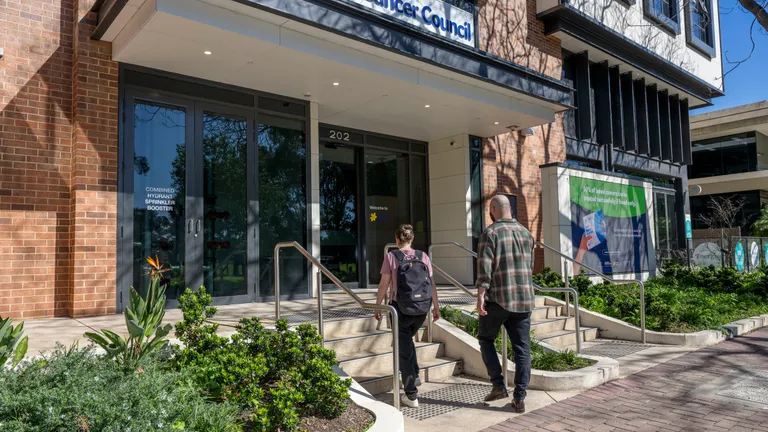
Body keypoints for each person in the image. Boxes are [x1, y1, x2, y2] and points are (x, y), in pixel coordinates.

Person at [476, 195, 535, 414]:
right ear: (509, 208)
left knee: (485, 338)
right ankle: (519, 398)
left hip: (498, 299)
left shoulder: (490, 233)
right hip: (524, 299)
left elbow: (485, 268)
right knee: (522, 349)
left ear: (493, 210)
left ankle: (498, 385)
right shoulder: (526, 234)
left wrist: (481, 294)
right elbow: (529, 267)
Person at [374, 224, 440, 408]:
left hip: (400, 310)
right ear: (412, 239)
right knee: (407, 342)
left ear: (397, 240)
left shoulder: (391, 256)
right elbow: (432, 284)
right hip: (421, 309)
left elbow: (383, 284)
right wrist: (436, 307)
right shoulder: (423, 256)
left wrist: (377, 306)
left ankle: (411, 395)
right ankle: (416, 375)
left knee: (403, 350)